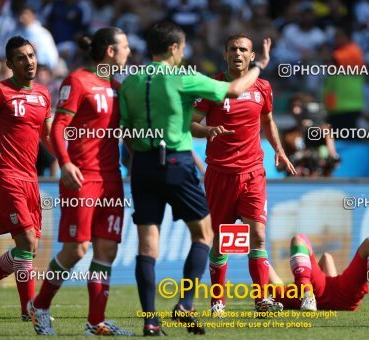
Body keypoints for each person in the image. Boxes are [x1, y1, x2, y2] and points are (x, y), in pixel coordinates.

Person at [119, 21, 271, 336]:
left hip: (143, 165)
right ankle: (186, 303)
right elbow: (234, 89)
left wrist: (139, 158)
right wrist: (258, 65)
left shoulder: (130, 81)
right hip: (177, 161)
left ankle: (150, 320)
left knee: (148, 247)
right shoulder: (183, 77)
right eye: (183, 46)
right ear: (174, 48)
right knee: (204, 235)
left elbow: (126, 133)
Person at [27, 27, 133, 336]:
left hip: (112, 179)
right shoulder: (77, 81)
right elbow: (59, 126)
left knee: (106, 250)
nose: (129, 51)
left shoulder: (118, 85)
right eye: (124, 46)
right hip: (81, 177)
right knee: (76, 249)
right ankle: (40, 307)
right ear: (110, 52)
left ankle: (95, 323)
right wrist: (66, 163)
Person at [191, 33, 296, 316]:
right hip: (220, 174)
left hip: (253, 173)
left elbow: (268, 121)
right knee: (222, 239)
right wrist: (208, 131)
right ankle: (217, 302)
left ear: (252, 57)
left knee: (258, 235)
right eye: (232, 49)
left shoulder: (263, 87)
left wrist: (280, 150)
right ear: (225, 55)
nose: (237, 53)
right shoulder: (212, 87)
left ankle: (262, 300)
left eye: (243, 49)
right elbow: (191, 124)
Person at [0, 36, 53, 320]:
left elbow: (48, 136)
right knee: (25, 242)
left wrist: (71, 159)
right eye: (21, 58)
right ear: (10, 64)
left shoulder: (44, 94)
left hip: (30, 179)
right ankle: (29, 310)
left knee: (30, 248)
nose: (29, 61)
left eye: (31, 55)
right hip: (5, 175)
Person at [268, 234, 369, 312]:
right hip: (343, 297)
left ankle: (308, 296)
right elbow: (326, 257)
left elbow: (264, 267)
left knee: (298, 239)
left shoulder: (287, 294)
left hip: (315, 290)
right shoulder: (286, 294)